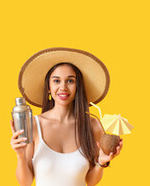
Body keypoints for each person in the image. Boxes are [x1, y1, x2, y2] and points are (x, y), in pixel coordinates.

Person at [11, 47, 122, 186]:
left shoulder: (92, 125)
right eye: (56, 81)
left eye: (70, 81)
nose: (63, 87)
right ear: (48, 88)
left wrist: (101, 162)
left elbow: (90, 181)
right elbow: (25, 182)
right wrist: (20, 155)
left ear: (78, 86)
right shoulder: (34, 124)